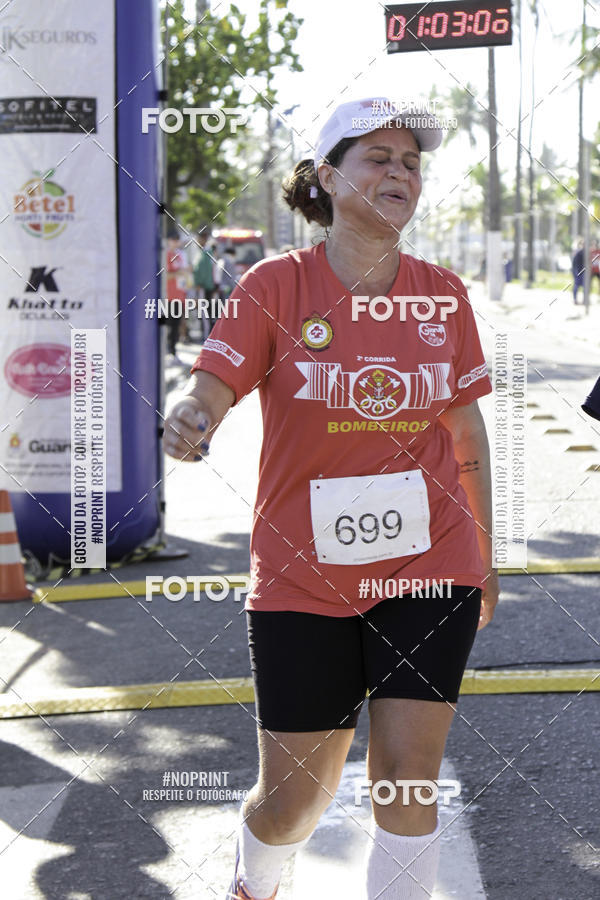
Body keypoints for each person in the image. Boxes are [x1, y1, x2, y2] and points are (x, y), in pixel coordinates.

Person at [163, 95, 498, 900]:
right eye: (378, 158)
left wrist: (486, 556)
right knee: (293, 805)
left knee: (407, 779)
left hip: (429, 563)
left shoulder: (442, 295)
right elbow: (212, 387)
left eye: (412, 163)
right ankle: (256, 875)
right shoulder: (275, 286)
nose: (401, 174)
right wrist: (191, 415)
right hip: (303, 576)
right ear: (326, 177)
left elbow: (468, 437)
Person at [165, 231, 190, 361]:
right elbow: (165, 276)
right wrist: (178, 273)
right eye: (173, 239)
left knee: (177, 325)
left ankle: (173, 352)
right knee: (170, 326)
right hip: (169, 296)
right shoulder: (167, 255)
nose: (175, 242)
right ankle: (170, 352)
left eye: (177, 239)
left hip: (180, 296)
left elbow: (184, 275)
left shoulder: (179, 256)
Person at [194, 227, 215, 339]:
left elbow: (202, 271)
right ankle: (207, 334)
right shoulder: (208, 251)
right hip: (208, 286)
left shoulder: (205, 252)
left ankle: (207, 335)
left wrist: (198, 283)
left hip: (203, 286)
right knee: (207, 311)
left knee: (204, 312)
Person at [572, 239, 585, 304]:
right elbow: (575, 264)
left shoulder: (584, 252)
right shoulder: (578, 252)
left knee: (585, 286)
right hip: (578, 271)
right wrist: (576, 273)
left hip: (583, 272)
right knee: (576, 285)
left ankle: (584, 300)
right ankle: (575, 299)